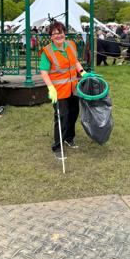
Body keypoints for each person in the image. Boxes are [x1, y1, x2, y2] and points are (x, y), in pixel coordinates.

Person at [39, 21, 88, 160]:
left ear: (64, 33)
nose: (58, 36)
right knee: (62, 117)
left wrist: (83, 72)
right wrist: (50, 88)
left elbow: (75, 62)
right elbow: (44, 72)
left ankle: (69, 138)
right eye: (55, 34)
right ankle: (57, 146)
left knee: (73, 114)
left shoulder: (71, 45)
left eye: (60, 32)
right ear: (51, 37)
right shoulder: (47, 51)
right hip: (59, 90)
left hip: (73, 88)